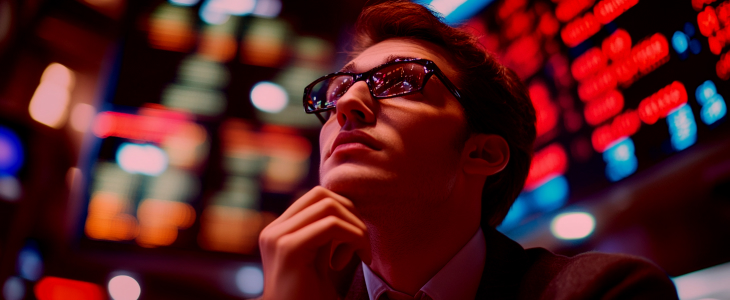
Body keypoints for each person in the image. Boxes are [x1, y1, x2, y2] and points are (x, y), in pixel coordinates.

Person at [258, 1, 679, 299]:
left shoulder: (607, 291)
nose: (348, 103)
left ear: (483, 154)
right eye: (338, 89)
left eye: (400, 81)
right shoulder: (290, 293)